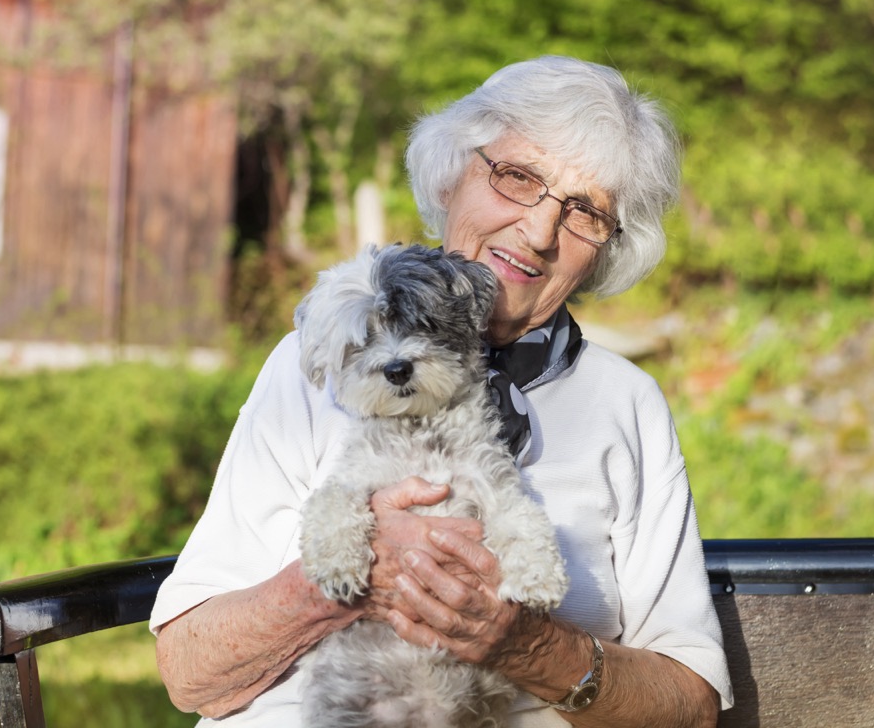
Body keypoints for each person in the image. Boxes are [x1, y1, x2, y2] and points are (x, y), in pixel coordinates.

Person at [150, 55, 734, 726]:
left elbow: (688, 709)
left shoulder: (625, 404)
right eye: (518, 177)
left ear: (605, 249)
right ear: (452, 175)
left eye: (586, 213)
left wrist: (529, 646)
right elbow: (191, 675)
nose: (540, 233)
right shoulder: (320, 362)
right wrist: (342, 583)